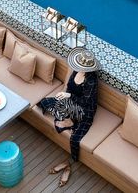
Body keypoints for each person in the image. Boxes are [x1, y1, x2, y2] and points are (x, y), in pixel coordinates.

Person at [37, 47, 99, 187]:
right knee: (44, 102)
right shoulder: (76, 71)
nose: (79, 67)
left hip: (84, 110)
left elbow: (85, 101)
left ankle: (69, 125)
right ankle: (68, 121)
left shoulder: (91, 80)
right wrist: (63, 95)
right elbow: (70, 88)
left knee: (75, 139)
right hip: (70, 103)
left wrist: (68, 96)